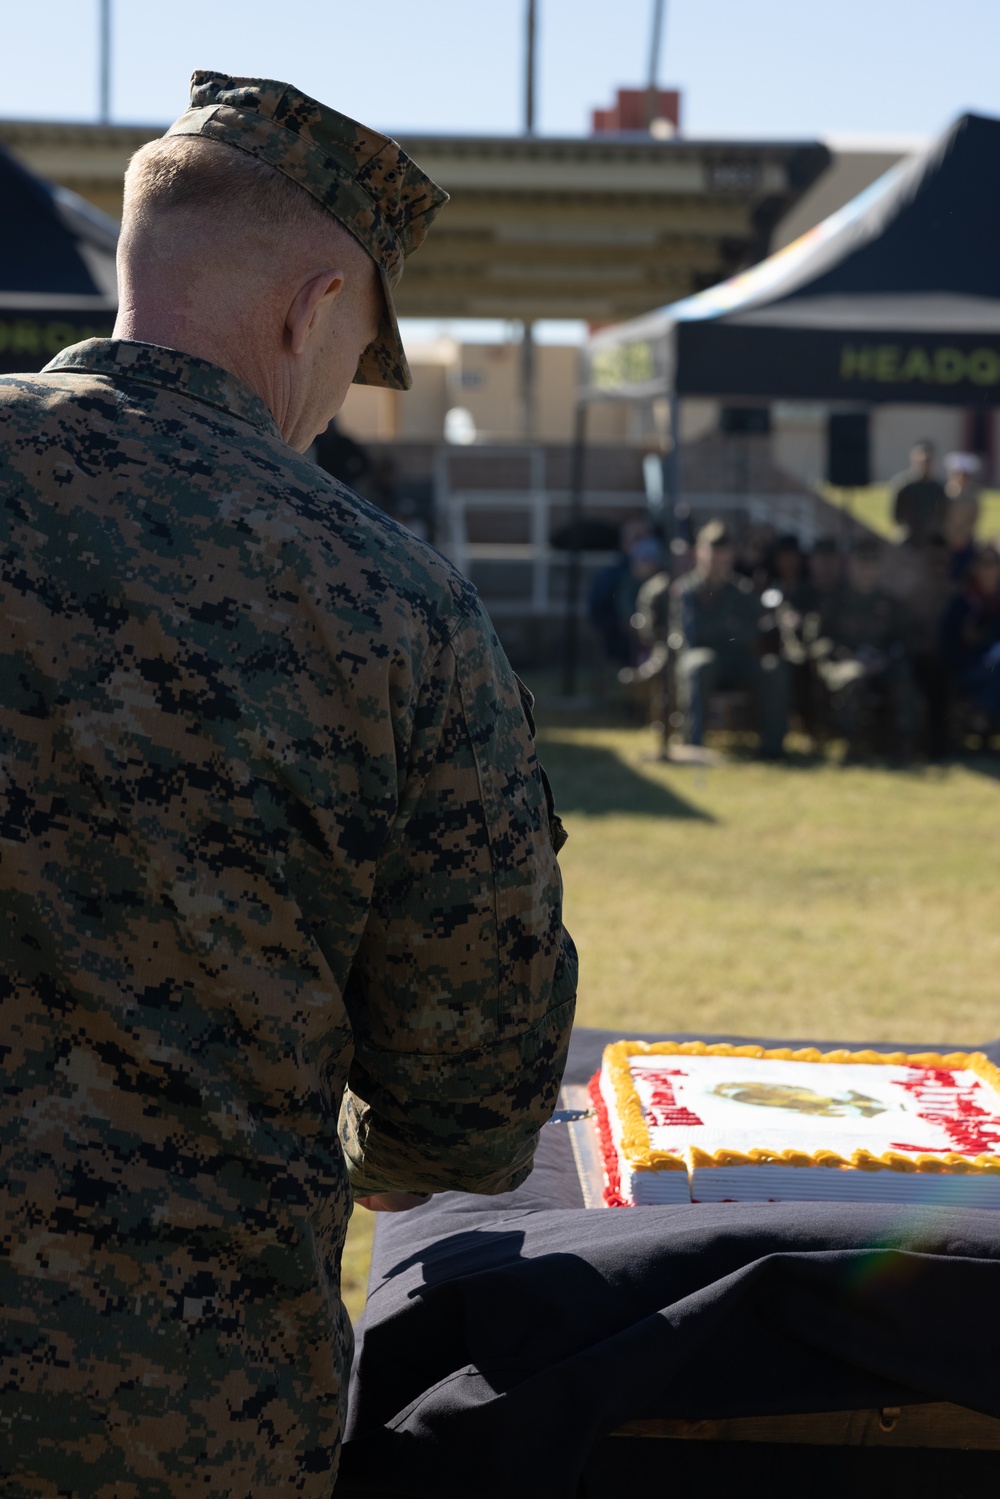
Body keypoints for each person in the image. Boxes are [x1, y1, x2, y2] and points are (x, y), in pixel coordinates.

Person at [0, 73, 577, 1496]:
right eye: (360, 351)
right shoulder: (393, 602)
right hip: (173, 1406)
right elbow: (473, 1090)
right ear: (313, 308)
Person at [670, 520, 788, 757]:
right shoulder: (686, 591)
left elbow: (751, 634)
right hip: (699, 657)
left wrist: (724, 630)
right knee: (701, 664)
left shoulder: (741, 591)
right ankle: (694, 743)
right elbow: (691, 633)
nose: (718, 564)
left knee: (773, 669)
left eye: (723, 558)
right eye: (713, 557)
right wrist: (729, 628)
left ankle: (773, 748)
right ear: (699, 554)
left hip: (736, 660)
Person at [816, 538, 916, 759]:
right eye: (861, 564)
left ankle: (901, 746)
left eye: (872, 565)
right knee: (853, 678)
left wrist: (886, 659)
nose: (866, 570)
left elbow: (903, 642)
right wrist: (847, 657)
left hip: (881, 664)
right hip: (843, 664)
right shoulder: (835, 602)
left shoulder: (890, 605)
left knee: (903, 679)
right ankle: (851, 744)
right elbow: (821, 642)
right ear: (850, 565)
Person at [941, 541, 1000, 730]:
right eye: (984, 562)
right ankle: (982, 722)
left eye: (994, 562)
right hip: (969, 671)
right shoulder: (962, 604)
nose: (989, 569)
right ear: (975, 567)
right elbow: (949, 647)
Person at [889, 440, 948, 547]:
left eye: (928, 461)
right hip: (908, 538)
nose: (924, 465)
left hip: (931, 540)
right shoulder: (904, 484)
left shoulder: (938, 488)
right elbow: (897, 516)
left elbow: (942, 513)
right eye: (921, 461)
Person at [943, 451, 982, 579]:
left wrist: (963, 537)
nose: (962, 477)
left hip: (966, 542)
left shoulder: (973, 496)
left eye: (965, 474)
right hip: (947, 542)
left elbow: (974, 518)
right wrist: (952, 536)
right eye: (958, 473)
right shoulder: (946, 494)